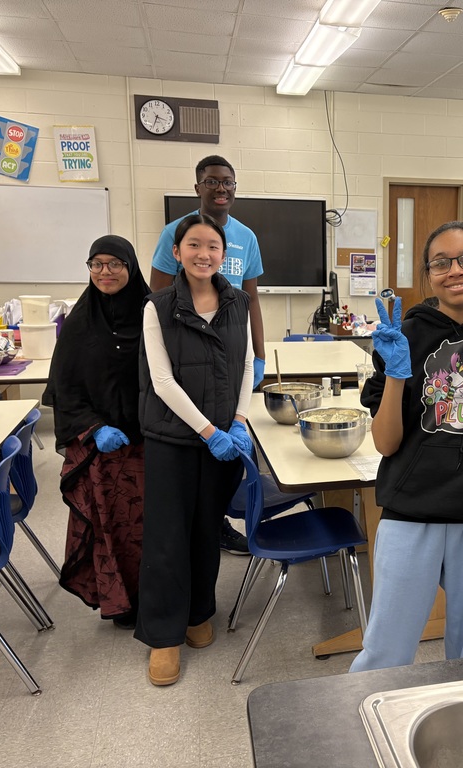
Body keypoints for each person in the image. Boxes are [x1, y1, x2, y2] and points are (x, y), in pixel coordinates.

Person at [349, 221, 463, 673]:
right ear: (428, 274)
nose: (456, 270)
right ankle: (358, 733)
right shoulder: (404, 336)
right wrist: (395, 373)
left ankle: (461, 737)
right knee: (385, 652)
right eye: (441, 262)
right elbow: (386, 442)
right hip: (412, 510)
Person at [135, 213, 254, 686]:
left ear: (224, 255)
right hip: (174, 439)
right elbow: (161, 381)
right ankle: (164, 637)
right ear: (177, 252)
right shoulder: (158, 306)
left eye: (213, 247)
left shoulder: (238, 302)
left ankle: (199, 613)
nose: (204, 254)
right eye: (193, 245)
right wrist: (209, 431)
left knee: (207, 530)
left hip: (225, 438)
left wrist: (240, 422)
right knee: (167, 539)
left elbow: (246, 365)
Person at [149, 154, 264, 556]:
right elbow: (159, 295)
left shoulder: (247, 237)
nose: (222, 189)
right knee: (195, 445)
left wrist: (258, 355)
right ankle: (199, 531)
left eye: (228, 182)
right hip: (187, 348)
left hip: (230, 351)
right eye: (213, 182)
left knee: (228, 448)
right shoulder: (174, 233)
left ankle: (216, 524)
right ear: (198, 186)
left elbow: (252, 302)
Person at [44, 234, 149, 629]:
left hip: (149, 443)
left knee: (151, 528)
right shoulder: (79, 323)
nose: (105, 272)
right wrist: (96, 428)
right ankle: (121, 603)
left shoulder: (152, 313)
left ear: (131, 267)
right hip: (104, 450)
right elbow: (65, 389)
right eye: (96, 264)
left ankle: (157, 599)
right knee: (113, 529)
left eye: (115, 264)